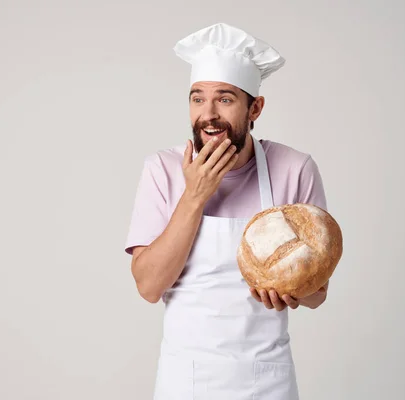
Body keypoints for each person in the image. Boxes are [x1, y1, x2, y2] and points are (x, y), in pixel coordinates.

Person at [123, 23, 329, 399]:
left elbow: (320, 293)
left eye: (226, 99)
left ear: (256, 108)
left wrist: (294, 291)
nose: (209, 114)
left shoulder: (294, 168)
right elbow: (149, 287)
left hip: (267, 381)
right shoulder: (163, 170)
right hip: (185, 380)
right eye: (197, 98)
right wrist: (195, 196)